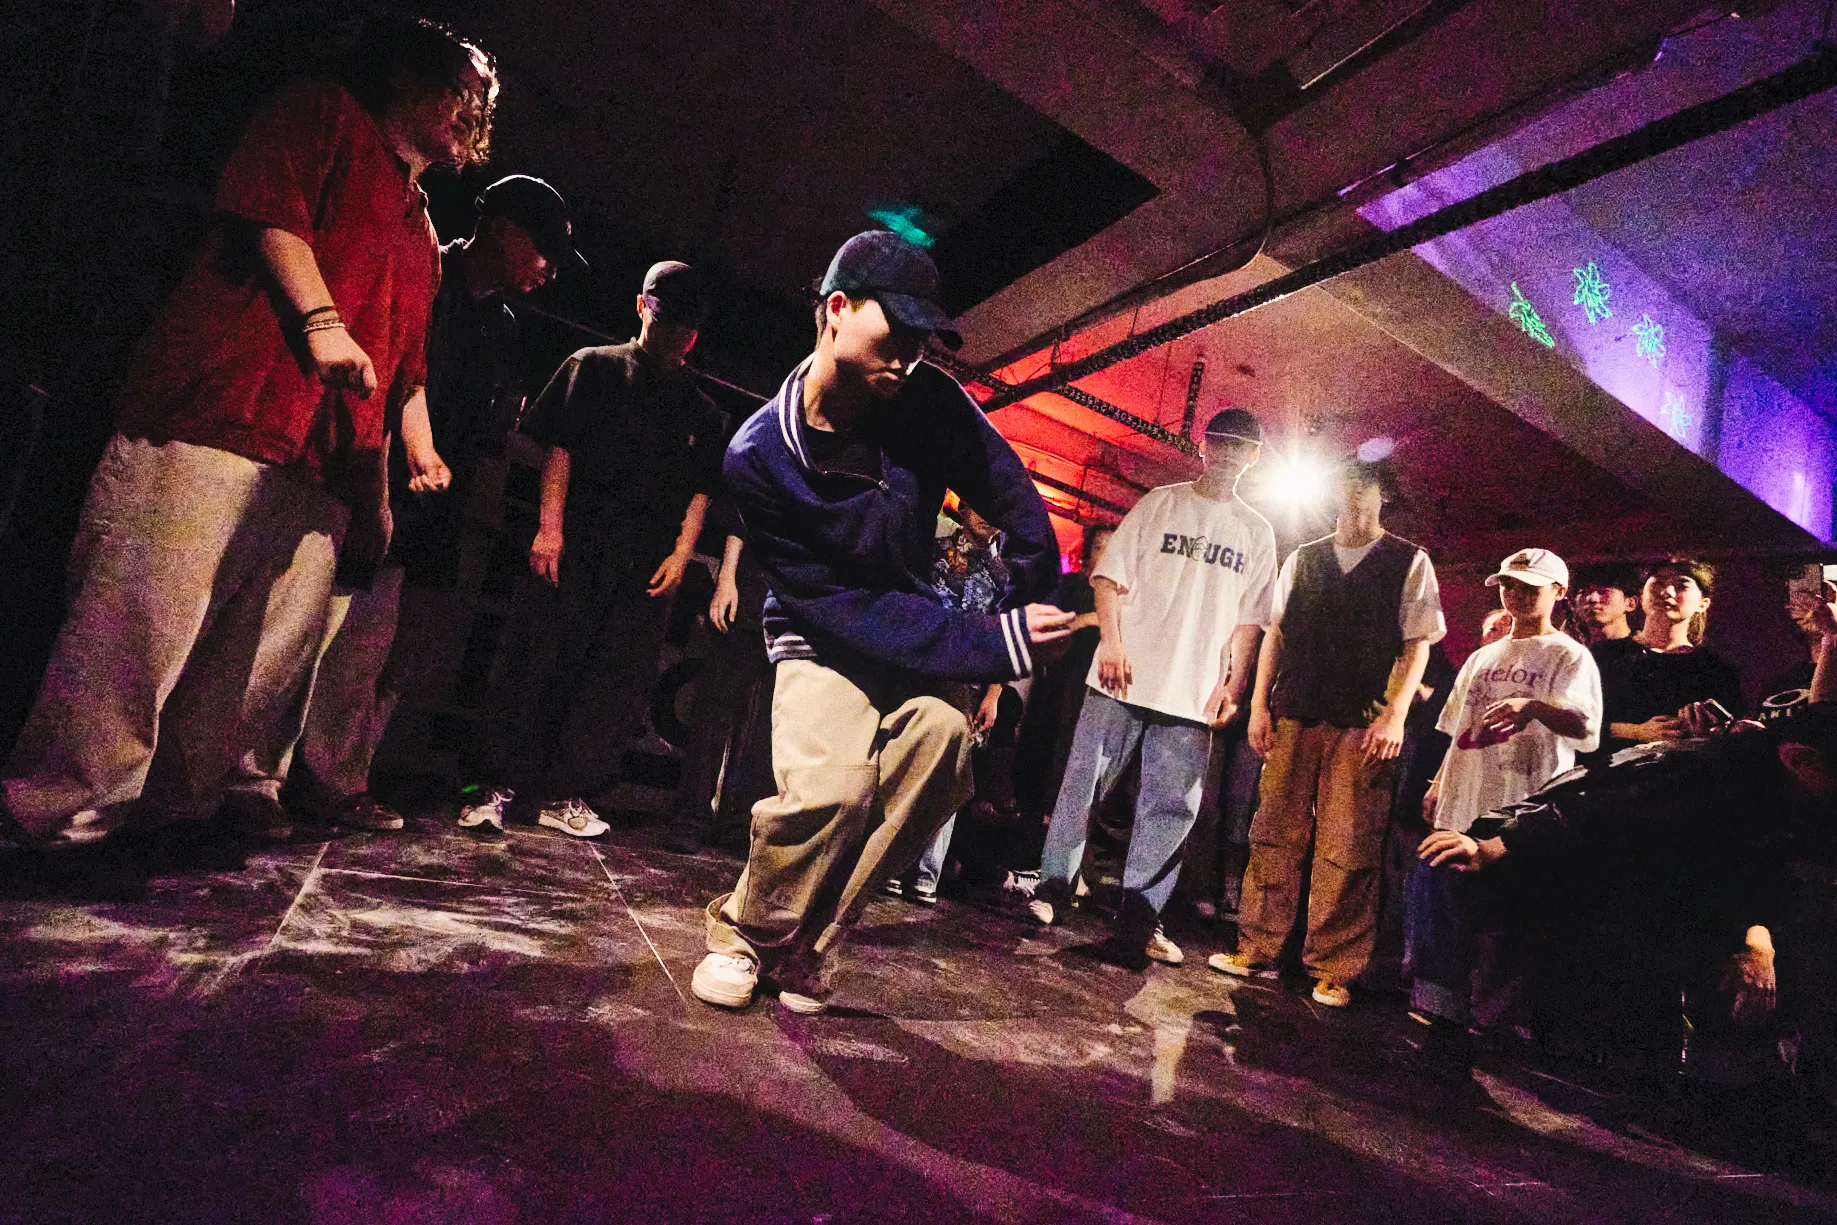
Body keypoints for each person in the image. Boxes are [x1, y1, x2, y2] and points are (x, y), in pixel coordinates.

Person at [1, 18, 494, 846]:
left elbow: (402, 370)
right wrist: (322, 323)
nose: (470, 111)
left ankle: (176, 812)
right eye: (458, 89)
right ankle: (60, 809)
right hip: (225, 412)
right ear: (407, 77)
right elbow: (273, 212)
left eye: (479, 100)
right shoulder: (323, 113)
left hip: (323, 465)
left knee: (244, 668)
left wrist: (390, 480)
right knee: (140, 625)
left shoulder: (422, 233)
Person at [691, 231, 1070, 1015]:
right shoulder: (757, 456)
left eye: (923, 338)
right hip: (820, 635)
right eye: (895, 330)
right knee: (834, 789)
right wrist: (990, 642)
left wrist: (1033, 587)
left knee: (942, 746)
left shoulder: (926, 400)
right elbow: (846, 607)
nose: (909, 354)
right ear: (836, 308)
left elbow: (1007, 490)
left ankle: (808, 948)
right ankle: (746, 931)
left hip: (914, 626)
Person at [283, 174, 584, 832]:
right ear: (503, 230)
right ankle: (299, 781)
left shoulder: (504, 324)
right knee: (325, 641)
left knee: (391, 657)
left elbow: (485, 425)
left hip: (436, 509)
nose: (549, 270)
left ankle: (341, 776)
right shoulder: (427, 278)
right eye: (544, 251)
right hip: (366, 485)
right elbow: (389, 381)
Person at [459, 261, 720, 837]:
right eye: (666, 318)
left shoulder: (700, 409)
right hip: (578, 540)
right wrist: (549, 528)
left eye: (686, 325)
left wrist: (681, 554)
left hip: (645, 557)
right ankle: (493, 785)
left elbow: (702, 488)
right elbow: (559, 448)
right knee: (533, 660)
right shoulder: (594, 366)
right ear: (642, 307)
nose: (675, 333)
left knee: (611, 679)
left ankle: (564, 794)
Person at [1029, 408, 1277, 970]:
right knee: (1082, 788)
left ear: (1254, 457)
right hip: (1121, 676)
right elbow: (1107, 579)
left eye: (1240, 446)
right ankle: (1053, 889)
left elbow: (1250, 621)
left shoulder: (1256, 531)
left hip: (1191, 692)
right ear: (1203, 444)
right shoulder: (1161, 503)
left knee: (1170, 811)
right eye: (1220, 442)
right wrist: (1112, 644)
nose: (1228, 453)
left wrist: (1232, 686)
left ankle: (1141, 920)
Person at [1211, 458, 1445, 1008]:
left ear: (1384, 496)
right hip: (1296, 711)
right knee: (1274, 832)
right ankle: (1257, 945)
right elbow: (1276, 635)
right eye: (1346, 486)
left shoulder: (1410, 560)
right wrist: (1259, 706)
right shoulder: (1304, 556)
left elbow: (1417, 645)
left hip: (1362, 720)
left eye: (1366, 487)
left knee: (1350, 843)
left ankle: (1335, 966)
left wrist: (1394, 714)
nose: (1354, 495)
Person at [1405, 548, 1601, 1071]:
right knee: (1446, 906)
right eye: (1510, 585)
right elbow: (1456, 728)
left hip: (1523, 806)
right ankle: (1443, 1021)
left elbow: (1586, 728)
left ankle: (1494, 1025)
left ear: (1558, 593)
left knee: (1510, 920)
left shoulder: (1569, 655)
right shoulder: (1483, 656)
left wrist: (1533, 706)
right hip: (1466, 795)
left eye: (1530, 587)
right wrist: (1439, 783)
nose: (1517, 595)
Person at [886, 508, 1010, 904]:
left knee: (949, 774)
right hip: (918, 669)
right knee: (907, 762)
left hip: (966, 683)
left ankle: (926, 872)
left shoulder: (1005, 576)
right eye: (981, 504)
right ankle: (891, 863)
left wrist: (994, 695)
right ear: (965, 506)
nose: (988, 515)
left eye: (997, 508)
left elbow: (1005, 640)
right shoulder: (933, 549)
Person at [1586, 558, 1740, 766]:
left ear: (1703, 604)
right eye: (1658, 583)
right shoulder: (1603, 656)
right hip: (1612, 776)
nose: (1667, 592)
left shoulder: (1717, 671)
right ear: (1641, 595)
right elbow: (1573, 722)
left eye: (1681, 586)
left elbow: (1734, 741)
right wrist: (1636, 732)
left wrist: (1710, 732)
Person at [1571, 566, 1639, 646]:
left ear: (1630, 603)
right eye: (1584, 592)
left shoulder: (1642, 651)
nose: (1593, 599)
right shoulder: (1569, 649)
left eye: (1604, 592)